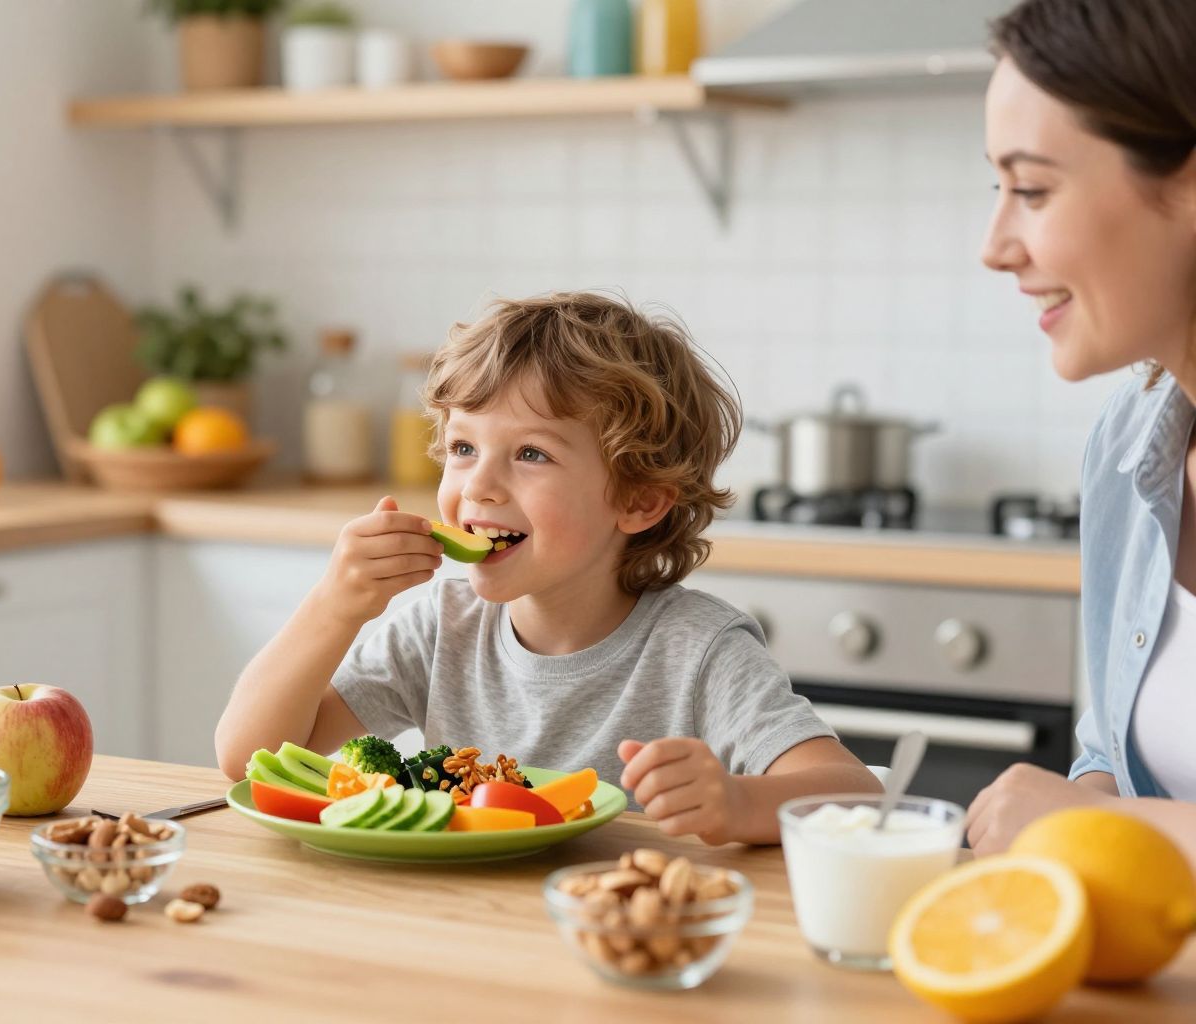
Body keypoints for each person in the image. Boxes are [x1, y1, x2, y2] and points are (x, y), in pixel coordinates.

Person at [215, 292, 879, 844]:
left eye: (531, 454)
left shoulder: (700, 651)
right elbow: (245, 759)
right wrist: (333, 606)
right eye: (464, 447)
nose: (478, 486)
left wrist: (736, 802)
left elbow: (856, 796)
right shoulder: (442, 625)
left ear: (638, 499)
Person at [966, 0, 1196, 863]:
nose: (995, 246)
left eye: (1031, 189)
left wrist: (1091, 821)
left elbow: (1116, 818)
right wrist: (1080, 797)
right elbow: (1116, 762)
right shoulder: (1131, 444)